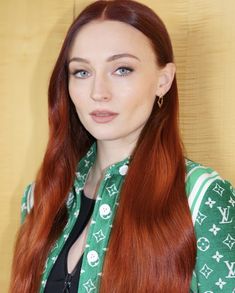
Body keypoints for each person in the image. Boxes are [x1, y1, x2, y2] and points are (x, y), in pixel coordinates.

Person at [10, 0, 235, 292]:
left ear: (163, 80)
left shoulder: (201, 198)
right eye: (81, 72)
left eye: (122, 70)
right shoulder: (41, 198)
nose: (98, 92)